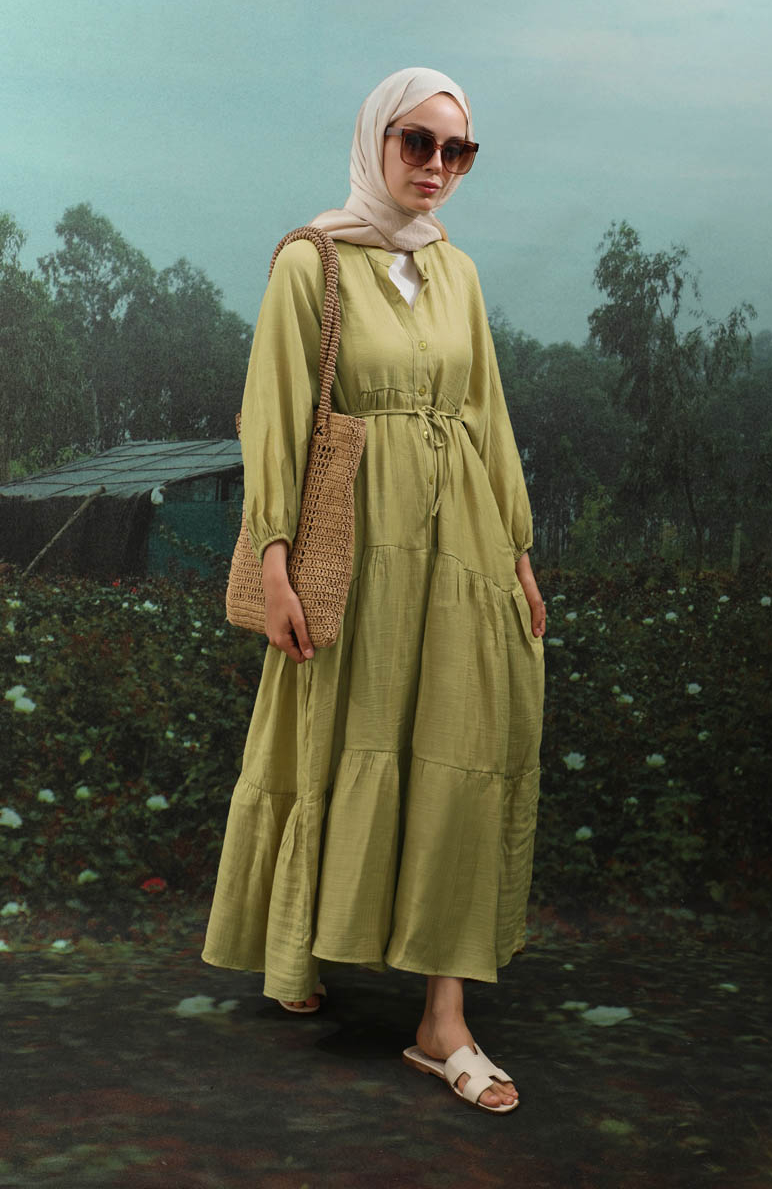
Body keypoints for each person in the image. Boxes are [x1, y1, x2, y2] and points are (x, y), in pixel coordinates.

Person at [202, 67, 546, 1115]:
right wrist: (274, 560)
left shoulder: (459, 273)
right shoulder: (310, 261)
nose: (437, 166)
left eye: (457, 150)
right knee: (328, 736)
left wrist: (518, 554)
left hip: (463, 543)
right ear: (374, 141)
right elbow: (275, 415)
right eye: (417, 142)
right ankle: (298, 947)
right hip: (357, 545)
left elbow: (486, 416)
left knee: (457, 749)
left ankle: (442, 1021)